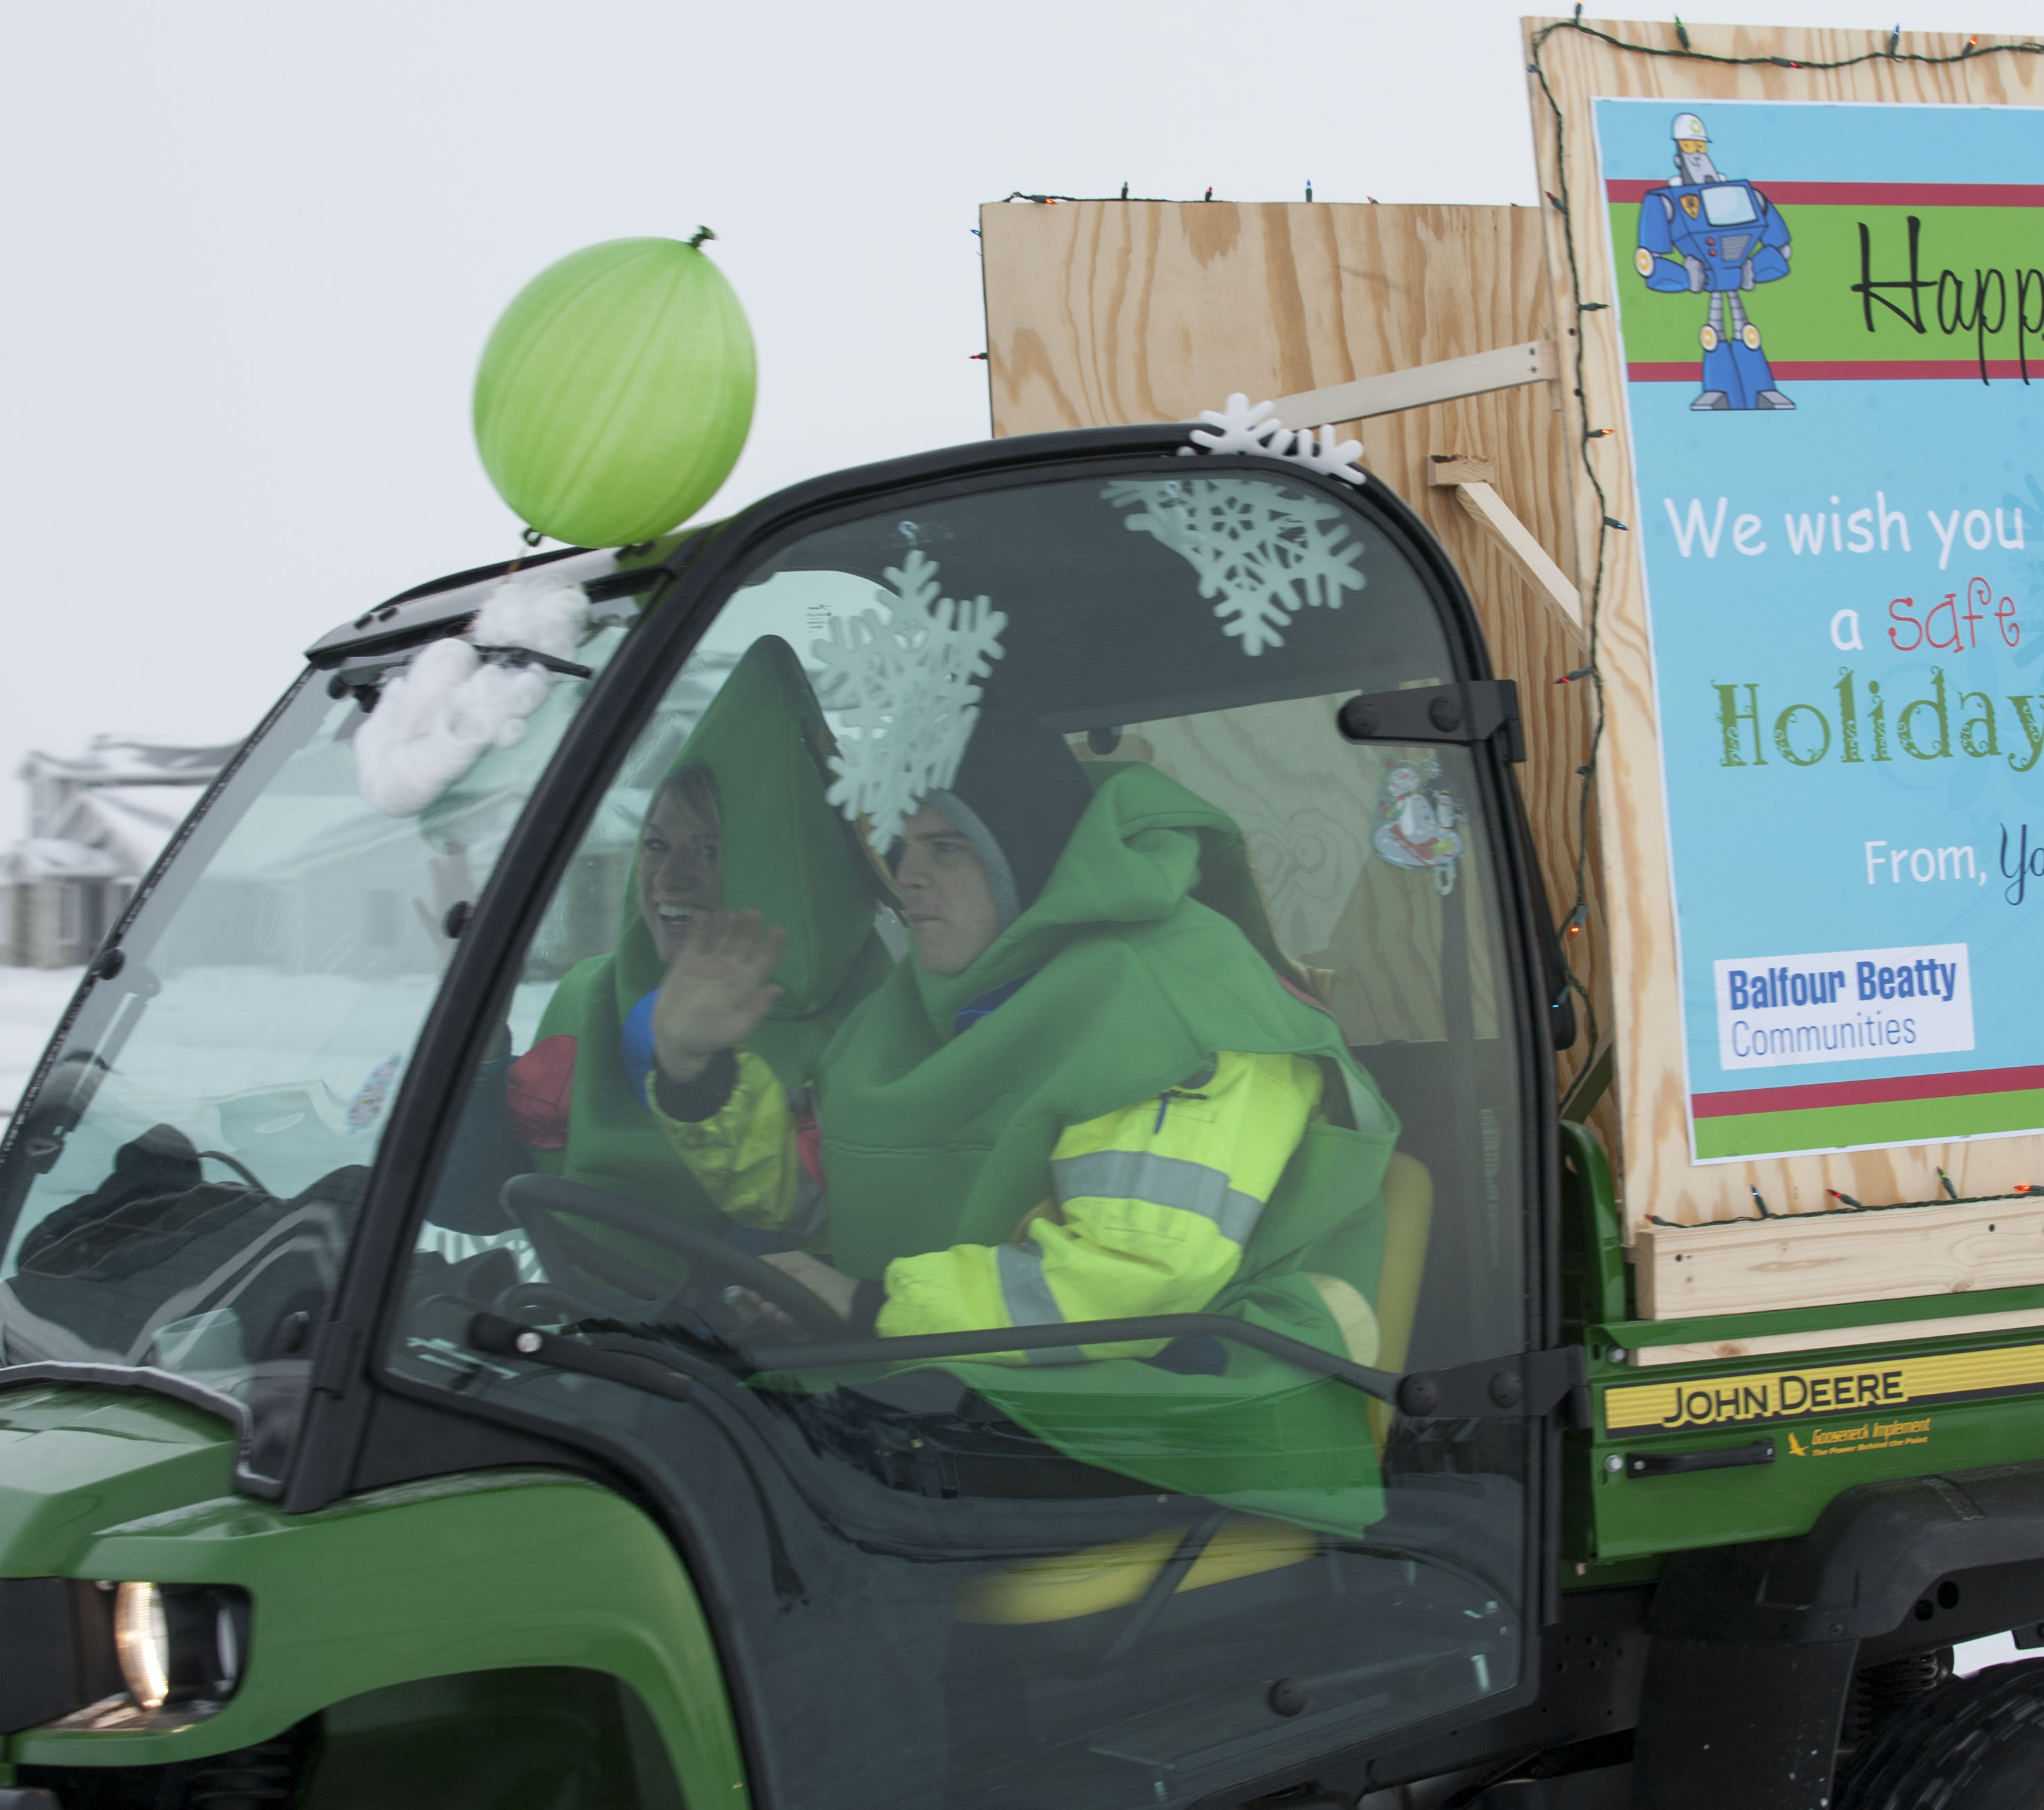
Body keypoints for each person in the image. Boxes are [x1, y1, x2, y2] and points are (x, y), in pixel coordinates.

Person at [652, 711, 1400, 1504]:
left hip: (1197, 1400)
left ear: (1029, 852)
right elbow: (812, 1198)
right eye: (900, 848)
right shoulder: (916, 1009)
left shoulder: (1171, 999)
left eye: (946, 847)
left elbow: (1137, 1279)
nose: (909, 876)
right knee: (684, 1419)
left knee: (783, 1483)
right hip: (975, 1370)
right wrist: (693, 1068)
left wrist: (867, 1305)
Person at [426, 636, 891, 1242]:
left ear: (779, 868)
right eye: (656, 845)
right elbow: (468, 1203)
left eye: (710, 850)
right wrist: (478, 1026)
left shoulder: (875, 1028)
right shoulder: (592, 997)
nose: (671, 877)